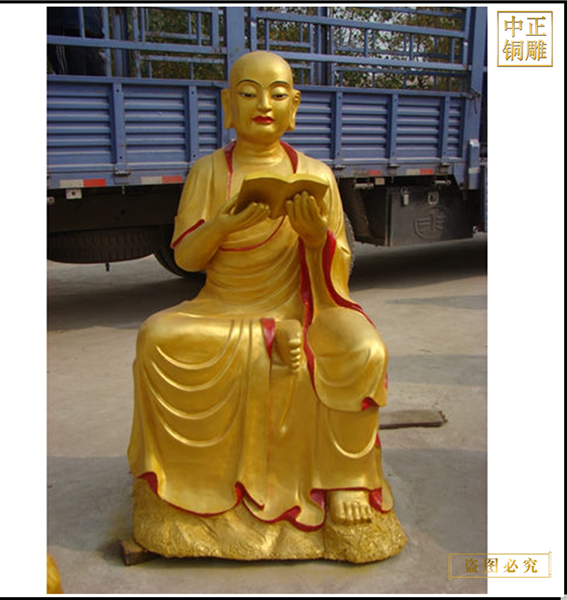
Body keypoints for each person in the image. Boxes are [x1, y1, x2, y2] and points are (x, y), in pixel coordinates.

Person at [127, 50, 403, 558]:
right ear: (228, 104)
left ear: (294, 105)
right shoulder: (209, 172)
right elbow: (186, 258)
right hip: (223, 305)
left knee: (364, 350)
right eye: (249, 93)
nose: (264, 105)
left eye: (277, 94)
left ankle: (346, 480)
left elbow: (339, 270)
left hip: (304, 304)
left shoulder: (317, 175)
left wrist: (316, 238)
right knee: (157, 337)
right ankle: (187, 490)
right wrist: (221, 226)